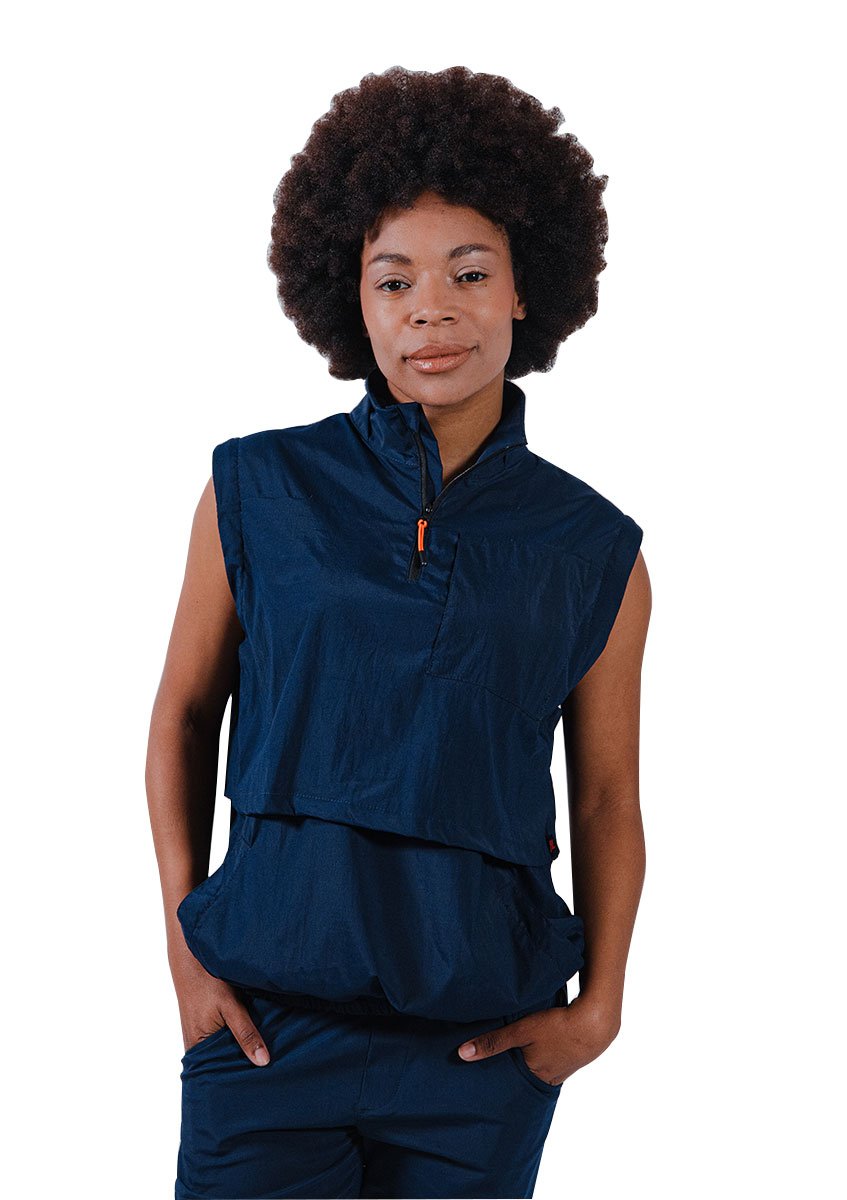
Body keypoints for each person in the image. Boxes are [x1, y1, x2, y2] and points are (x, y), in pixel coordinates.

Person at [147, 64, 651, 1200]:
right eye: (394, 280)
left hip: (481, 1052)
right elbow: (181, 717)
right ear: (352, 298)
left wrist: (601, 1008)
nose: (431, 309)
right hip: (264, 1032)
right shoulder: (255, 490)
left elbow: (606, 795)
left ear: (524, 291)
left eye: (469, 272)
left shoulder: (595, 551)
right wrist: (184, 949)